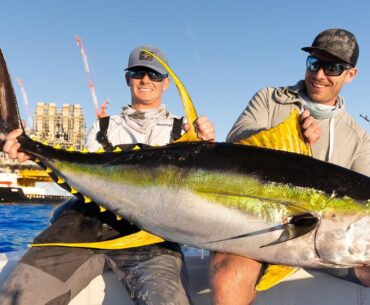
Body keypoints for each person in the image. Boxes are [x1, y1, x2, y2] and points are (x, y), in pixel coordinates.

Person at [0, 45, 215, 305]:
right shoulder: (102, 128)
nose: (145, 80)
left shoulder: (185, 132)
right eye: (138, 73)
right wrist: (29, 152)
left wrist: (205, 149)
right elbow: (84, 180)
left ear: (166, 83)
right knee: (17, 297)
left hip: (151, 236)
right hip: (82, 227)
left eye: (154, 75)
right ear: (127, 78)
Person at [210, 28, 370, 305]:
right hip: (258, 229)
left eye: (332, 67)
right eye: (314, 63)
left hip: (327, 245)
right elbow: (235, 137)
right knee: (229, 275)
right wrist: (284, 132)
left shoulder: (359, 138)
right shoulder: (270, 99)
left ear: (350, 74)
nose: (320, 75)